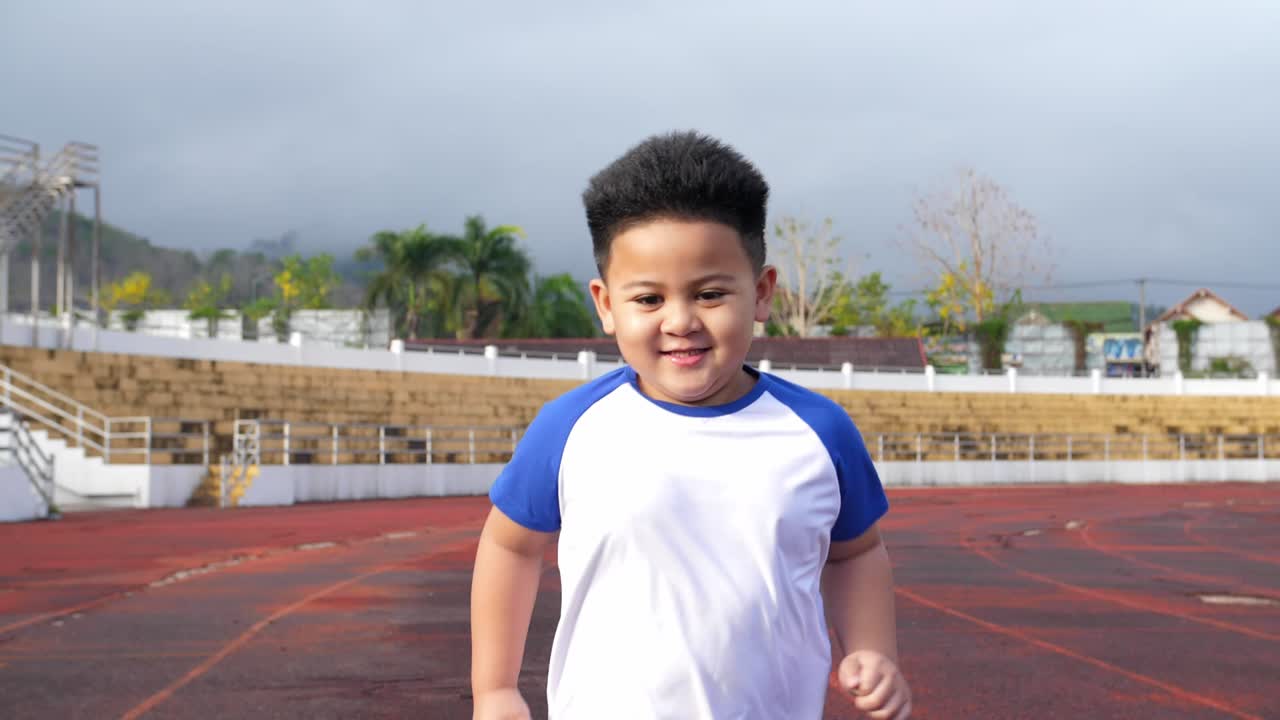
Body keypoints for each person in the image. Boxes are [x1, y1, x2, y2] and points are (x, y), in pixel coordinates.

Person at [470, 131, 911, 720]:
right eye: (648, 300)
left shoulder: (819, 433)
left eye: (708, 294)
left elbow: (855, 554)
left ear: (760, 293)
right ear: (605, 304)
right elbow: (509, 546)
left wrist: (873, 650)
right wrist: (494, 688)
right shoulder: (571, 428)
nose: (680, 321)